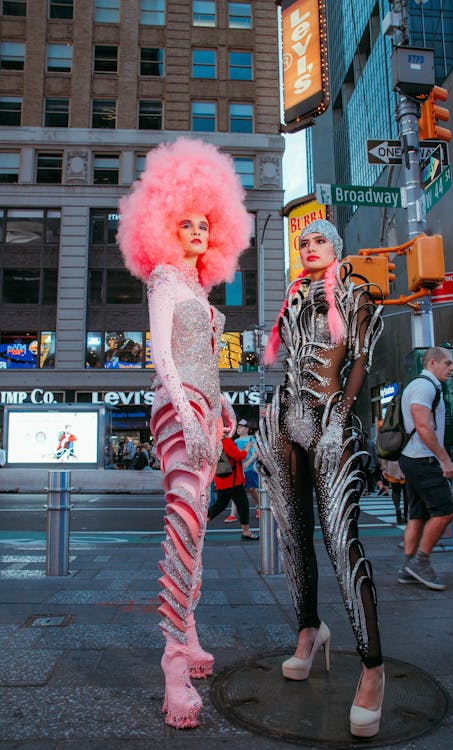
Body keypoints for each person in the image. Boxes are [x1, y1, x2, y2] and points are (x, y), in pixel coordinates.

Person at [117, 137, 251, 729]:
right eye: (187, 222)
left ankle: (189, 635)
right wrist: (190, 413)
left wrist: (220, 412)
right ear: (167, 226)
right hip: (176, 411)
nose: (198, 230)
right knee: (184, 521)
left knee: (196, 533)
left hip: (204, 408)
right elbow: (164, 358)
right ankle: (173, 659)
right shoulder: (166, 279)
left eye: (206, 223)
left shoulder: (199, 289)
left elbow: (209, 364)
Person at [256, 219, 385, 738]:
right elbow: (287, 364)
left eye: (319, 241)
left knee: (339, 541)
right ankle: (308, 631)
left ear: (337, 247)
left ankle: (373, 668)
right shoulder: (292, 298)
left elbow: (359, 360)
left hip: (332, 419)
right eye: (303, 242)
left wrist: (344, 414)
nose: (309, 248)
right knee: (293, 537)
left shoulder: (355, 293)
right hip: (287, 422)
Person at [398, 347, 453, 590]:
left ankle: (407, 567)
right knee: (445, 511)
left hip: (413, 458)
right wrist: (445, 459)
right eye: (448, 363)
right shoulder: (425, 386)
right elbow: (423, 426)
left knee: (417, 515)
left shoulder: (418, 385)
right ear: (432, 363)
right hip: (423, 460)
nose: (452, 368)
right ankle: (420, 562)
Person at [208, 433, 259, 540]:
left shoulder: (213, 442)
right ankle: (246, 531)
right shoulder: (226, 441)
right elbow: (239, 457)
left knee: (219, 505)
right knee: (243, 505)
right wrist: (247, 449)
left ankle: (200, 527)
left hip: (221, 479)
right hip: (233, 480)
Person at [235, 418, 260, 517]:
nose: (238, 428)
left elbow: (255, 453)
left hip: (249, 469)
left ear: (247, 429)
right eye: (238, 427)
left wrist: (248, 462)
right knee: (239, 491)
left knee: (251, 489)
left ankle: (259, 506)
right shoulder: (236, 441)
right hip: (239, 469)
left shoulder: (251, 439)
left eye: (241, 427)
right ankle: (236, 514)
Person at [381, 459, 408, 524]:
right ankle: (405, 515)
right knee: (406, 492)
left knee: (395, 490)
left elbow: (384, 453)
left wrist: (384, 467)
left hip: (392, 466)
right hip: (405, 465)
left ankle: (397, 508)